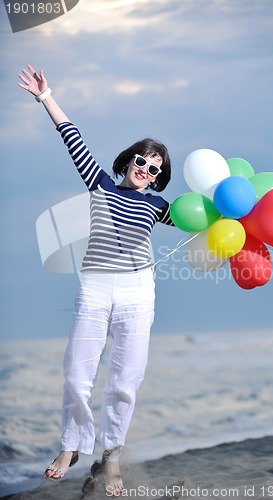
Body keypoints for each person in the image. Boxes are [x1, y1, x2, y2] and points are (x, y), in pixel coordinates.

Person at [18, 64, 174, 496]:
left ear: (160, 178)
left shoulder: (161, 206)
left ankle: (111, 458)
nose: (146, 170)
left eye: (155, 169)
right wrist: (45, 95)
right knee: (76, 373)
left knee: (125, 382)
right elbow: (73, 139)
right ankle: (71, 446)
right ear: (129, 161)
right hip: (95, 286)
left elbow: (206, 220)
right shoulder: (101, 184)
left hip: (138, 292)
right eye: (142, 161)